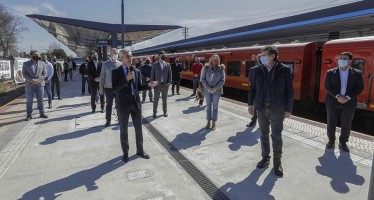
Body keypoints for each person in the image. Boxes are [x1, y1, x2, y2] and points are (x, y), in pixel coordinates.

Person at [248, 46, 294, 177]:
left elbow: (290, 91)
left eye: (264, 54)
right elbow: (252, 89)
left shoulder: (284, 70)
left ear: (273, 56)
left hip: (277, 108)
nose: (261, 56)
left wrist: (288, 109)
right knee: (263, 134)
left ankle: (277, 162)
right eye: (261, 54)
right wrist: (250, 105)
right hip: (261, 107)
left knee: (276, 136)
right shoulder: (256, 70)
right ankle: (265, 157)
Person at [112, 49, 158, 163]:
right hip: (123, 105)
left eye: (131, 56)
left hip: (135, 103)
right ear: (122, 58)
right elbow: (115, 89)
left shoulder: (136, 71)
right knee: (124, 130)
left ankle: (140, 150)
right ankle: (125, 153)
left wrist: (149, 85)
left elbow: (138, 87)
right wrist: (125, 79)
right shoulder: (116, 72)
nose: (130, 58)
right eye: (128, 56)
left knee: (139, 128)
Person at [324, 52, 364, 152]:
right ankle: (331, 141)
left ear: (350, 61)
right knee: (331, 122)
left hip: (349, 102)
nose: (341, 60)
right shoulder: (330, 72)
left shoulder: (357, 73)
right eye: (340, 58)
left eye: (344, 58)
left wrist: (348, 97)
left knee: (346, 123)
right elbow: (327, 87)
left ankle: (343, 142)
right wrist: (338, 96)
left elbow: (360, 88)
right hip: (333, 101)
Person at [201, 54, 225, 130]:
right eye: (213, 59)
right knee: (208, 107)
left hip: (216, 91)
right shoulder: (206, 68)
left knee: (215, 107)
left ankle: (214, 123)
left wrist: (215, 89)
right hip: (207, 91)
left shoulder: (221, 69)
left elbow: (222, 80)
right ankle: (208, 122)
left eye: (216, 59)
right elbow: (203, 79)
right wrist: (208, 88)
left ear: (218, 61)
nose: (215, 61)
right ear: (211, 59)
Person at [22, 50, 49, 120]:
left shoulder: (42, 63)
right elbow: (24, 74)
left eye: (38, 54)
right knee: (29, 100)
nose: (37, 56)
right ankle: (29, 115)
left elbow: (45, 73)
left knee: (40, 99)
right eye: (35, 55)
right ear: (31, 56)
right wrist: (32, 80)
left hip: (40, 84)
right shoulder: (25, 64)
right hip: (29, 85)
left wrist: (39, 80)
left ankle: (42, 113)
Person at [99, 48, 122, 127]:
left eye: (116, 53)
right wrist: (101, 87)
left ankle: (120, 118)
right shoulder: (105, 64)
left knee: (119, 104)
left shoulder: (120, 64)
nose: (115, 54)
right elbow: (102, 77)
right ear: (110, 54)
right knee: (109, 104)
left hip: (118, 88)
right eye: (114, 53)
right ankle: (108, 120)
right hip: (108, 88)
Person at [150, 50, 172, 118]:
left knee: (164, 99)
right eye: (161, 55)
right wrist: (152, 84)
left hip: (165, 85)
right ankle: (154, 112)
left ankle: (165, 111)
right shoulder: (155, 64)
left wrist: (168, 83)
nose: (162, 56)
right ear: (158, 56)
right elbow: (152, 75)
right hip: (157, 85)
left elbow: (170, 74)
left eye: (163, 55)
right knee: (156, 99)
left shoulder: (167, 64)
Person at [247, 54, 261, 127]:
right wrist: (250, 104)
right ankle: (253, 121)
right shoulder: (253, 69)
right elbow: (251, 84)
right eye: (259, 58)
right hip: (257, 93)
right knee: (255, 108)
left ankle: (265, 124)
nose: (260, 59)